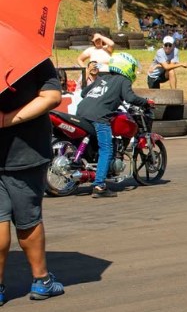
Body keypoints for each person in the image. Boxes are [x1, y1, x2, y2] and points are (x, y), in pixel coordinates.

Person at [0, 58, 65, 302]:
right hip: (25, 151)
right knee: (28, 217)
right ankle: (41, 280)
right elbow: (51, 97)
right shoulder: (29, 56)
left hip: (21, 152)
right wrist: (7, 120)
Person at [76, 53, 151, 198]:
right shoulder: (123, 80)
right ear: (127, 67)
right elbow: (130, 98)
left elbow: (84, 93)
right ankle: (99, 186)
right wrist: (146, 102)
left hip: (81, 112)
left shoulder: (102, 78)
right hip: (99, 116)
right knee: (107, 149)